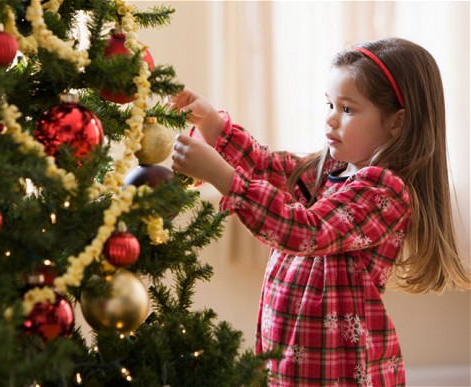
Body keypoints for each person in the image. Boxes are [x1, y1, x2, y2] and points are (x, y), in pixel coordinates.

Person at [170, 37, 470, 386]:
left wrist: (223, 177)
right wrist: (213, 126)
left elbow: (307, 231)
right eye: (329, 104)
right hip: (289, 354)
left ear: (396, 123)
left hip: (338, 368)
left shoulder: (385, 191)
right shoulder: (332, 170)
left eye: (347, 109)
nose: (330, 120)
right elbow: (268, 167)